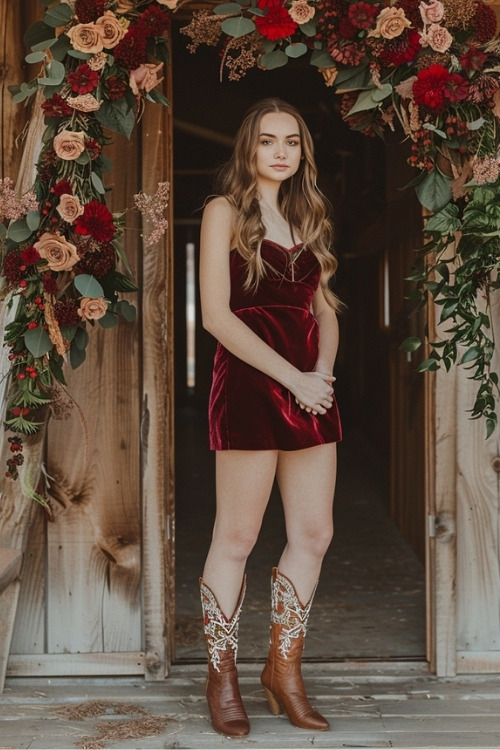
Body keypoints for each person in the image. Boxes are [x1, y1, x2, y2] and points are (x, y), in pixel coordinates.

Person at [198, 97, 342, 738]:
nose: (280, 151)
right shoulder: (223, 212)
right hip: (253, 388)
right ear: (248, 150)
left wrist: (323, 377)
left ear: (301, 152)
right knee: (238, 537)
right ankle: (221, 677)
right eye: (267, 141)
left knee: (314, 533)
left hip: (311, 389)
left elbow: (324, 310)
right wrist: (292, 378)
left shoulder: (308, 216)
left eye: (291, 141)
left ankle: (283, 671)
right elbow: (216, 317)